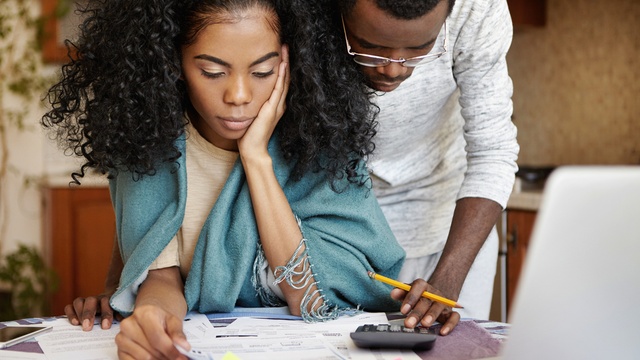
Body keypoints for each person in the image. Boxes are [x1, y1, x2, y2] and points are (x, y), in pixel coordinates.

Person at [42, 0, 408, 357]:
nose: (239, 96)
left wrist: (256, 158)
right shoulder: (149, 141)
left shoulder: (323, 142)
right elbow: (161, 278)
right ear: (174, 62)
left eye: (263, 72)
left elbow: (311, 298)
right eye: (213, 72)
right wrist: (153, 318)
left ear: (293, 63)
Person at [320, 0, 520, 330]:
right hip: (336, 227)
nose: (394, 68)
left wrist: (447, 279)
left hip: (449, 228)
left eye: (419, 49)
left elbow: (493, 153)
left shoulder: (476, 8)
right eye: (371, 47)